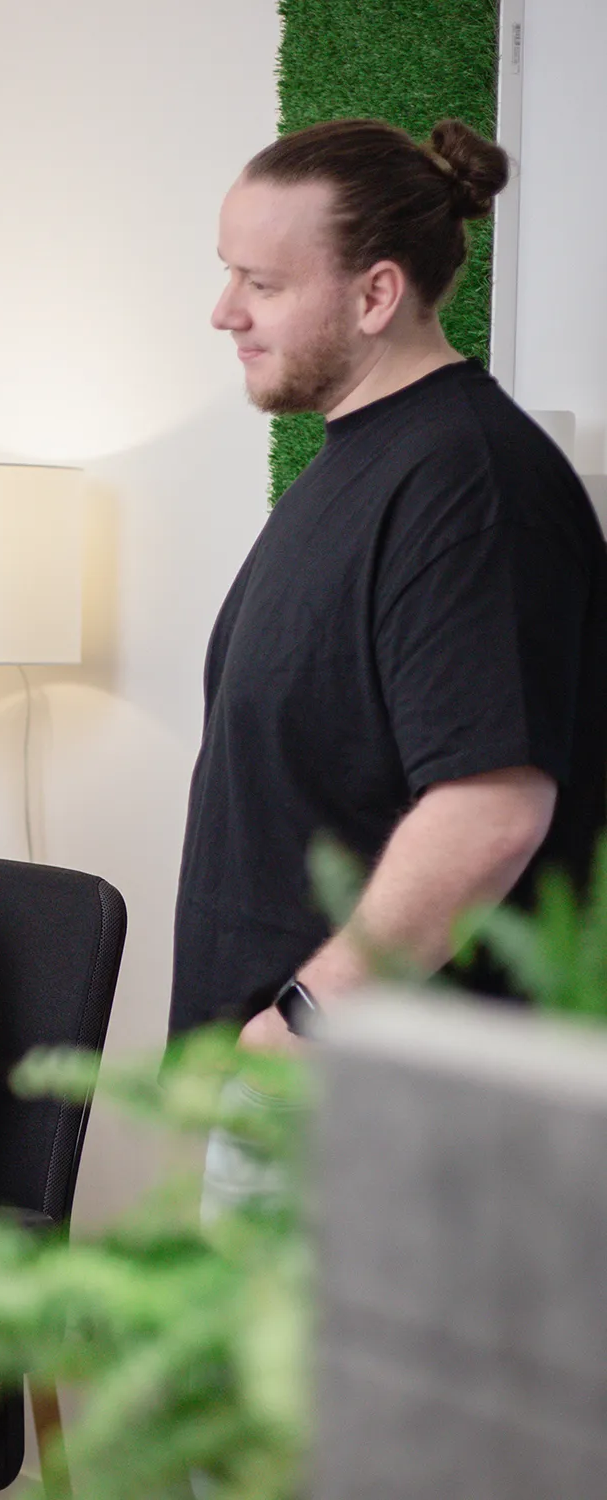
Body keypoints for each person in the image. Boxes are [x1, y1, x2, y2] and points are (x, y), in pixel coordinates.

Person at [173, 116, 607, 1052]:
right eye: (228, 272)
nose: (226, 311)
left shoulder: (472, 484)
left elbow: (489, 813)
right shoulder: (362, 463)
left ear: (376, 294)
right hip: (289, 1088)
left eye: (264, 283)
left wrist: (304, 1021)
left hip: (379, 1098)